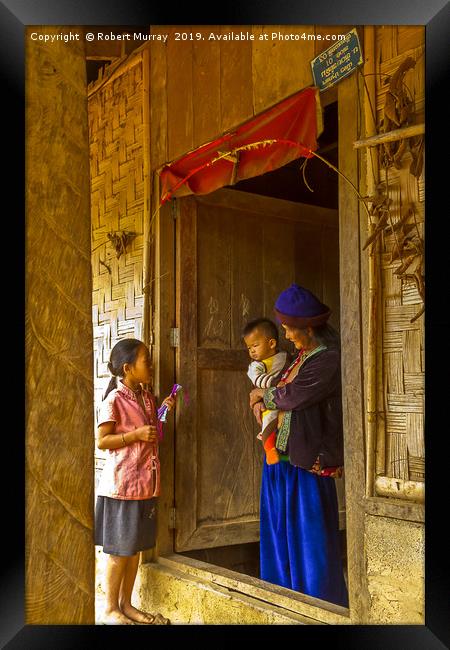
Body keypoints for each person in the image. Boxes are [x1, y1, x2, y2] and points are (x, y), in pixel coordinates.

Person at [249, 284, 349, 608]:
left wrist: (262, 396)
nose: (287, 335)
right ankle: (285, 601)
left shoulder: (327, 360)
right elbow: (281, 392)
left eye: (291, 329)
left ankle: (320, 606)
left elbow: (292, 395)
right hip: (283, 462)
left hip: (308, 466)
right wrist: (265, 399)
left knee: (311, 541)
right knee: (280, 535)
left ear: (309, 327)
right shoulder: (300, 357)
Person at [95, 338, 176, 625]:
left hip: (145, 485)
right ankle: (109, 609)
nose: (151, 365)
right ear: (128, 368)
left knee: (134, 551)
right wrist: (135, 435)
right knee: (119, 552)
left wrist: (163, 409)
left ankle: (126, 605)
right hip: (122, 487)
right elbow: (103, 441)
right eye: (147, 361)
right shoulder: (114, 400)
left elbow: (151, 430)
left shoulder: (146, 396)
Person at [243, 318, 289, 464]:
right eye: (249, 348)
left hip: (286, 399)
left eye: (255, 345)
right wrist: (277, 384)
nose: (252, 351)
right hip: (270, 400)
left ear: (271, 343)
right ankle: (270, 451)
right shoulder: (256, 366)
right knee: (268, 422)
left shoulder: (285, 357)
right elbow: (258, 380)